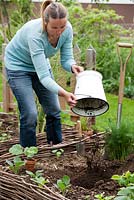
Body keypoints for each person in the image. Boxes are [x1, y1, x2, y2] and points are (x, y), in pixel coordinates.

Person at [4, 0, 83, 147]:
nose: (59, 31)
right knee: (30, 114)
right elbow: (44, 78)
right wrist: (65, 94)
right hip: (18, 67)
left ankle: (55, 147)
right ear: (45, 22)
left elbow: (66, 58)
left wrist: (72, 66)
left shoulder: (67, 30)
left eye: (62, 26)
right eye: (54, 27)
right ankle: (29, 154)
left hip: (40, 65)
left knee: (54, 109)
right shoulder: (35, 35)